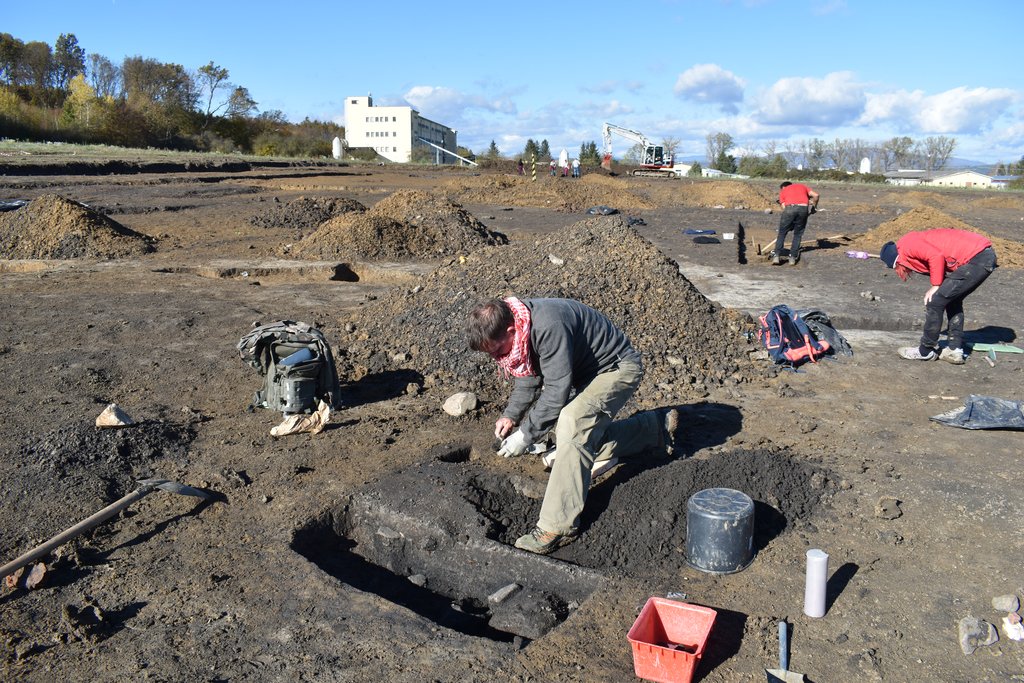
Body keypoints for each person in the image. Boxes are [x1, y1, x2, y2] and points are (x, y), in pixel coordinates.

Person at [466, 297, 679, 554]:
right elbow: (529, 375)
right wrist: (511, 416)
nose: (497, 359)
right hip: (589, 373)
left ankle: (557, 526)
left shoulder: (548, 325)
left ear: (511, 330)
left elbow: (556, 392)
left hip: (617, 368)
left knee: (572, 423)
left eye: (497, 351)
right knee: (574, 438)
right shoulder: (521, 324)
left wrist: (526, 435)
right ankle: (653, 429)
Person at [880, 229, 997, 364]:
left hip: (977, 258)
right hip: (983, 257)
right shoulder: (909, 242)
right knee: (952, 299)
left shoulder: (907, 245)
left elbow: (936, 255)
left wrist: (936, 285)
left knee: (935, 301)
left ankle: (925, 351)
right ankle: (954, 350)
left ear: (896, 260)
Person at [773, 181, 819, 265]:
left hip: (789, 209)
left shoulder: (783, 191)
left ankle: (776, 256)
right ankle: (792, 258)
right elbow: (816, 195)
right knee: (797, 234)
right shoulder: (802, 186)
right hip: (803, 209)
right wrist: (814, 208)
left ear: (784, 187)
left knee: (782, 233)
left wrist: (789, 223)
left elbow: (784, 208)